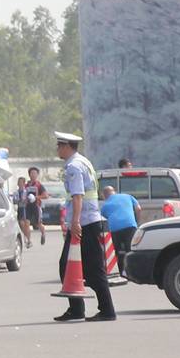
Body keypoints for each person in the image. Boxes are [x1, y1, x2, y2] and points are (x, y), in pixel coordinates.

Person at [53, 131, 115, 322]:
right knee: (70, 266)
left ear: (66, 146)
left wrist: (75, 222)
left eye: (59, 146)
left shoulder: (73, 166)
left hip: (84, 223)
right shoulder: (84, 161)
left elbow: (78, 196)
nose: (57, 149)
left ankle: (106, 310)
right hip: (87, 221)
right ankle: (77, 309)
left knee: (92, 269)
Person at [99, 185, 138, 278]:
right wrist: (136, 221)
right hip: (130, 225)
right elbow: (138, 208)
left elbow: (104, 219)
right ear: (114, 191)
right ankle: (133, 272)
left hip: (114, 228)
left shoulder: (105, 206)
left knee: (116, 251)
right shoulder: (127, 196)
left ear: (104, 195)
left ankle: (120, 273)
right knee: (130, 250)